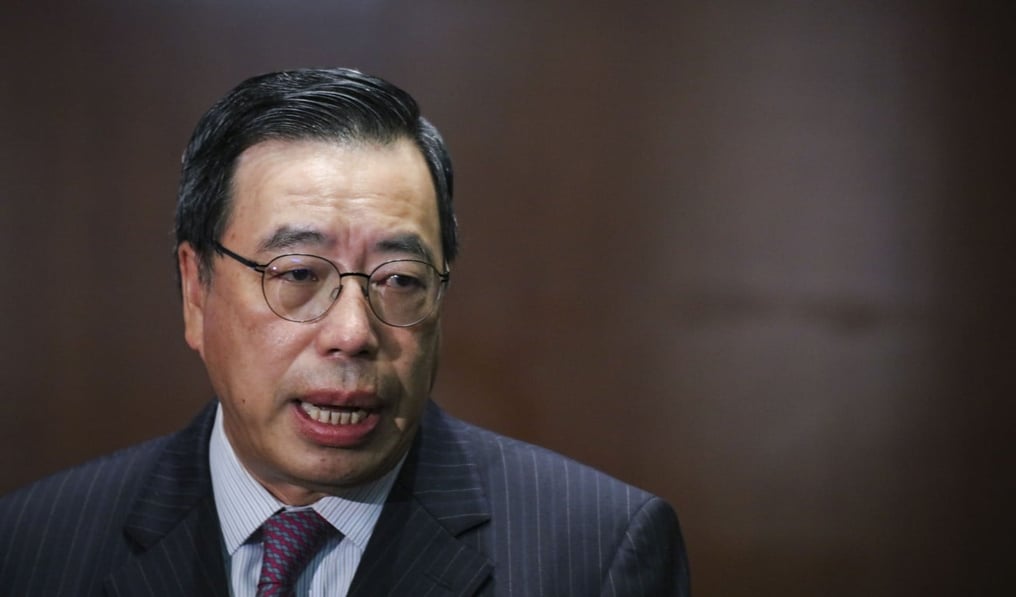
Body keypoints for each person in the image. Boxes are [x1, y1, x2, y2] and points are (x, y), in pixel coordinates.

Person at [0, 68, 689, 596]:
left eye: (400, 279)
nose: (354, 333)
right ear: (196, 290)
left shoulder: (594, 553)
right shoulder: (35, 544)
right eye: (298, 273)